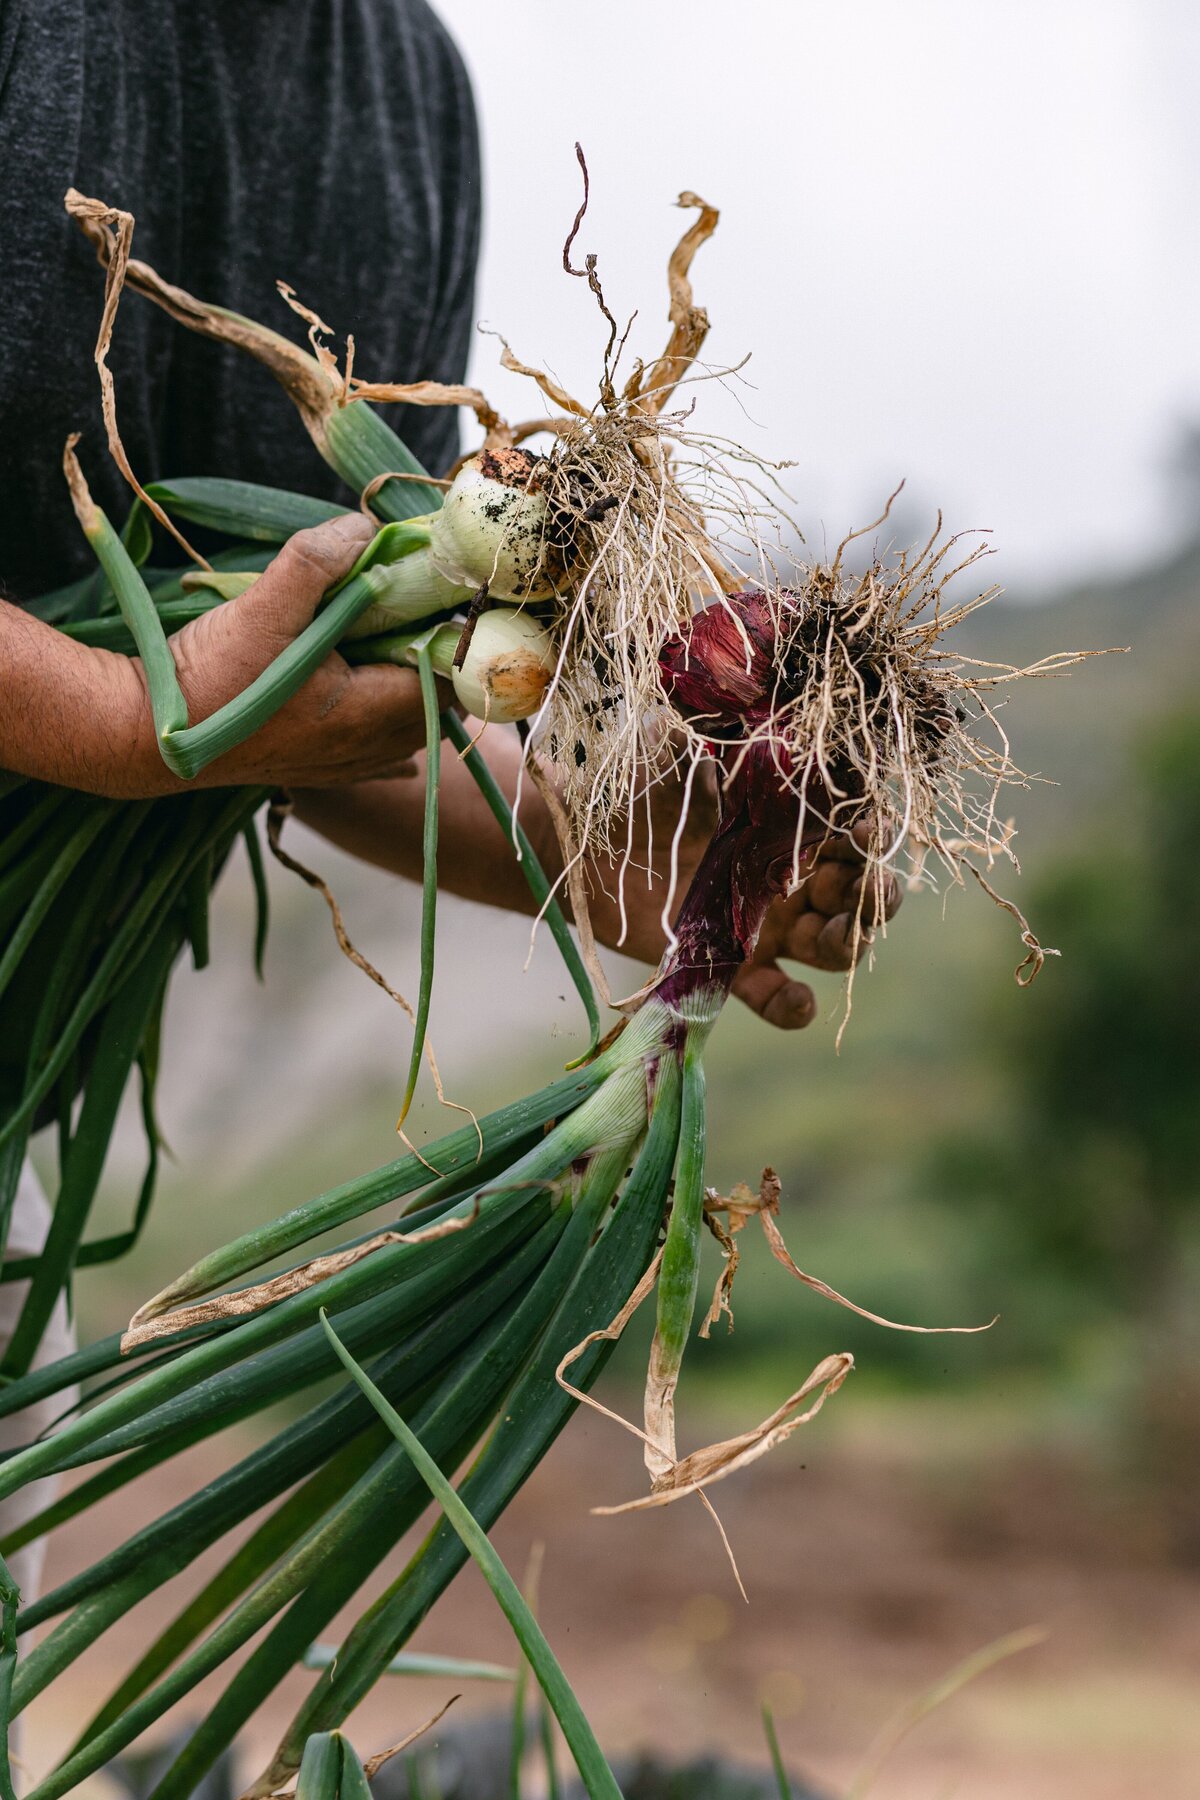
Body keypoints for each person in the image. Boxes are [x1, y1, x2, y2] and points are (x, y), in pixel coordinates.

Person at [0, 0, 894, 1603]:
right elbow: (174, 705)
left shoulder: (407, 97)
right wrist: (109, 706)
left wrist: (589, 829)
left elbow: (301, 706)